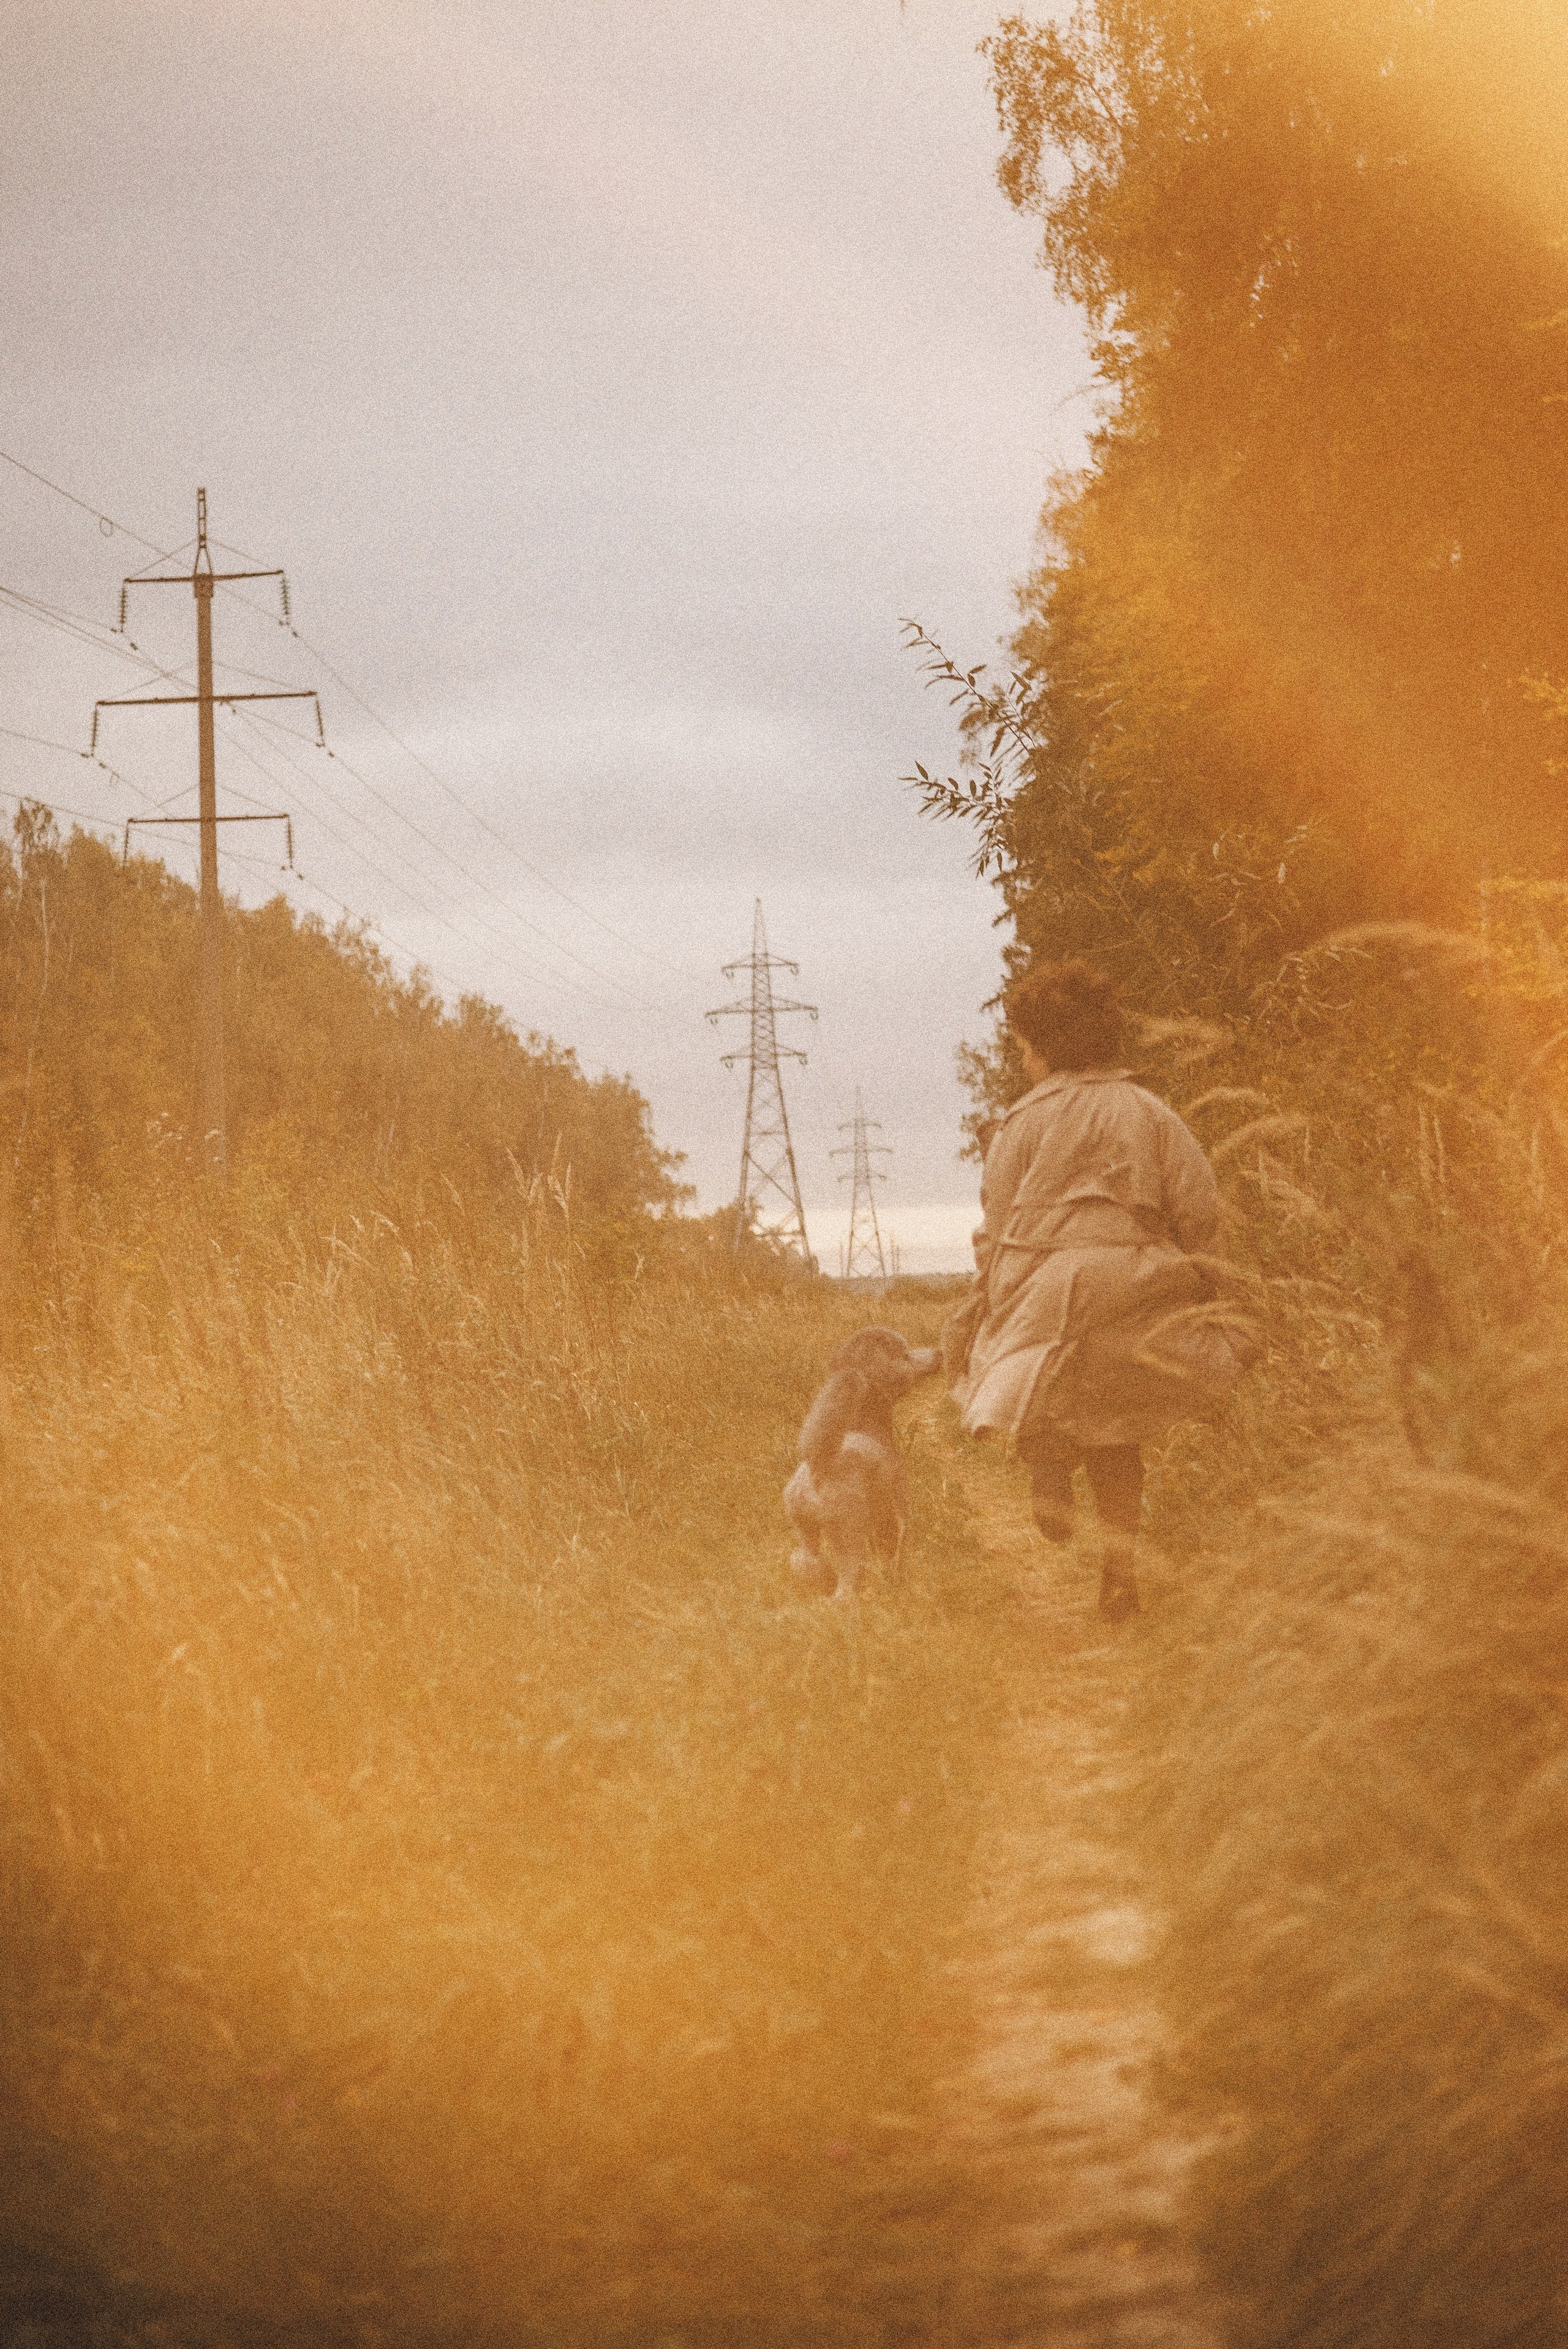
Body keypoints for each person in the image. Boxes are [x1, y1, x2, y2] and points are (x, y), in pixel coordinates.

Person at [947, 961, 1252, 1623]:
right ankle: (1120, 1577)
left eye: (1024, 1046)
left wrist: (986, 1305)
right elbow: (1197, 1209)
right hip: (1132, 1276)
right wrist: (1214, 1290)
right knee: (1119, 1433)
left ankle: (1046, 1451)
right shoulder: (1149, 1112)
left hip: (1041, 1279)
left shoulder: (1018, 1125)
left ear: (1042, 1048)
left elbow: (996, 1228)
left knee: (1041, 1385)